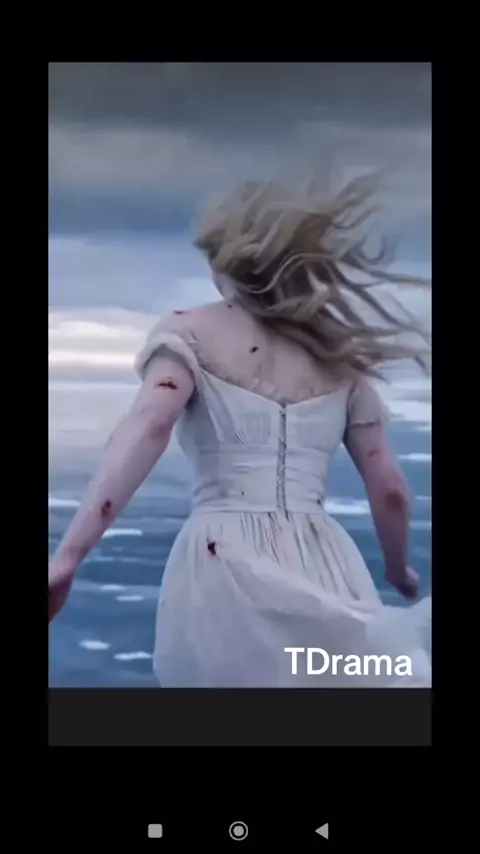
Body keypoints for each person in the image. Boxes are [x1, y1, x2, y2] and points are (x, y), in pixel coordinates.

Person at [48, 176, 431, 687]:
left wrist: (67, 557)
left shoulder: (188, 332)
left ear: (222, 263)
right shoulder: (338, 357)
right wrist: (398, 569)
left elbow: (150, 425)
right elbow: (390, 489)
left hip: (222, 560)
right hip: (326, 560)